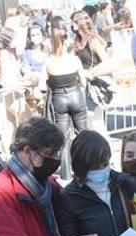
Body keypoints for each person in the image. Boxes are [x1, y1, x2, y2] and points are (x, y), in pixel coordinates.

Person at [45, 17, 91, 146]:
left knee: (62, 138)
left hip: (58, 98)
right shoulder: (74, 60)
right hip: (75, 95)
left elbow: (41, 85)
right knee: (83, 134)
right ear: (66, 42)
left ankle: (64, 164)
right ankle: (85, 162)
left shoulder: (49, 62)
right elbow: (83, 81)